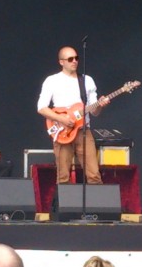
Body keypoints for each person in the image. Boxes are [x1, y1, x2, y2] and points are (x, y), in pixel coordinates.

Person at [37, 46, 109, 185]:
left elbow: (94, 112)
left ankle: (96, 199)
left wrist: (100, 105)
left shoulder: (87, 80)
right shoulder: (52, 80)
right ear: (61, 62)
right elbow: (41, 108)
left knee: (94, 175)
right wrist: (61, 119)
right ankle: (65, 200)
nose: (74, 61)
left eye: (76, 58)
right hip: (62, 131)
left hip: (83, 130)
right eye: (70, 59)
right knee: (63, 177)